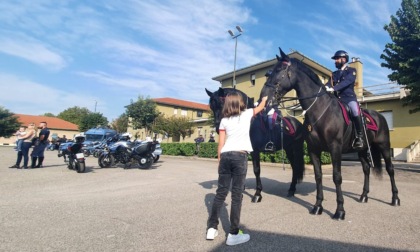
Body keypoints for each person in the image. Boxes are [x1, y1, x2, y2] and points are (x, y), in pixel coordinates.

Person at [206, 92, 268, 246]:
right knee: (236, 195)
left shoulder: (223, 120)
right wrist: (265, 98)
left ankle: (211, 228)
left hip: (225, 156)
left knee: (220, 193)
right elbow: (261, 106)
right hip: (240, 156)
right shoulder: (247, 114)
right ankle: (233, 233)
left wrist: (219, 160)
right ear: (240, 104)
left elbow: (220, 144)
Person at [325, 50, 365, 149]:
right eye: (335, 59)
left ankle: (359, 137)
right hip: (336, 100)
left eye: (337, 59)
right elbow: (328, 84)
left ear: (344, 59)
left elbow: (346, 82)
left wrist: (334, 88)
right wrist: (324, 88)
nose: (335, 61)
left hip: (348, 98)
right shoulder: (334, 74)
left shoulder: (351, 71)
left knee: (355, 111)